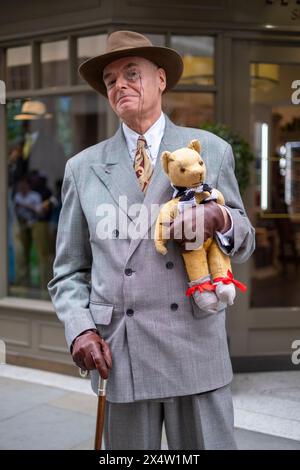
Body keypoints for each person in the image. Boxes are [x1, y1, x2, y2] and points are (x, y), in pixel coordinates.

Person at [48, 31, 255, 450]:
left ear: (161, 79)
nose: (119, 85)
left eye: (131, 73)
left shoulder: (210, 150)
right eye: (110, 80)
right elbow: (68, 271)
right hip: (121, 351)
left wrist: (221, 218)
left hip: (195, 346)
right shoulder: (82, 168)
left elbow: (245, 239)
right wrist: (80, 329)